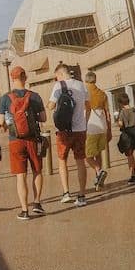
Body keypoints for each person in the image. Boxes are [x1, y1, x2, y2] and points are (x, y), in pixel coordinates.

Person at [0, 66, 46, 221]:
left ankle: (24, 210)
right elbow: (44, 118)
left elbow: (0, 122)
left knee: (21, 175)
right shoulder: (35, 96)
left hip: (15, 140)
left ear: (12, 79)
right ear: (25, 77)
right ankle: (37, 203)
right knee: (37, 170)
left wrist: (9, 124)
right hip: (33, 138)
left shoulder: (6, 98)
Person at [48, 63, 90, 207]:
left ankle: (66, 193)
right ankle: (82, 195)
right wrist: (85, 122)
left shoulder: (59, 86)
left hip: (64, 131)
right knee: (80, 161)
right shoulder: (81, 85)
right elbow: (88, 107)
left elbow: (51, 106)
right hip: (80, 130)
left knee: (62, 160)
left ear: (60, 74)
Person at [83, 71, 111, 190]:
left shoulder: (84, 93)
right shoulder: (102, 94)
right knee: (98, 153)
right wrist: (109, 130)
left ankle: (99, 172)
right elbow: (108, 113)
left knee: (87, 156)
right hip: (102, 127)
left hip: (90, 127)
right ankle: (98, 181)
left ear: (86, 80)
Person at [116, 93, 135, 184]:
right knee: (131, 154)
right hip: (134, 132)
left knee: (129, 155)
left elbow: (121, 124)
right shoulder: (134, 110)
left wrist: (118, 123)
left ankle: (133, 173)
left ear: (121, 103)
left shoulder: (122, 112)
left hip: (126, 134)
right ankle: (133, 172)